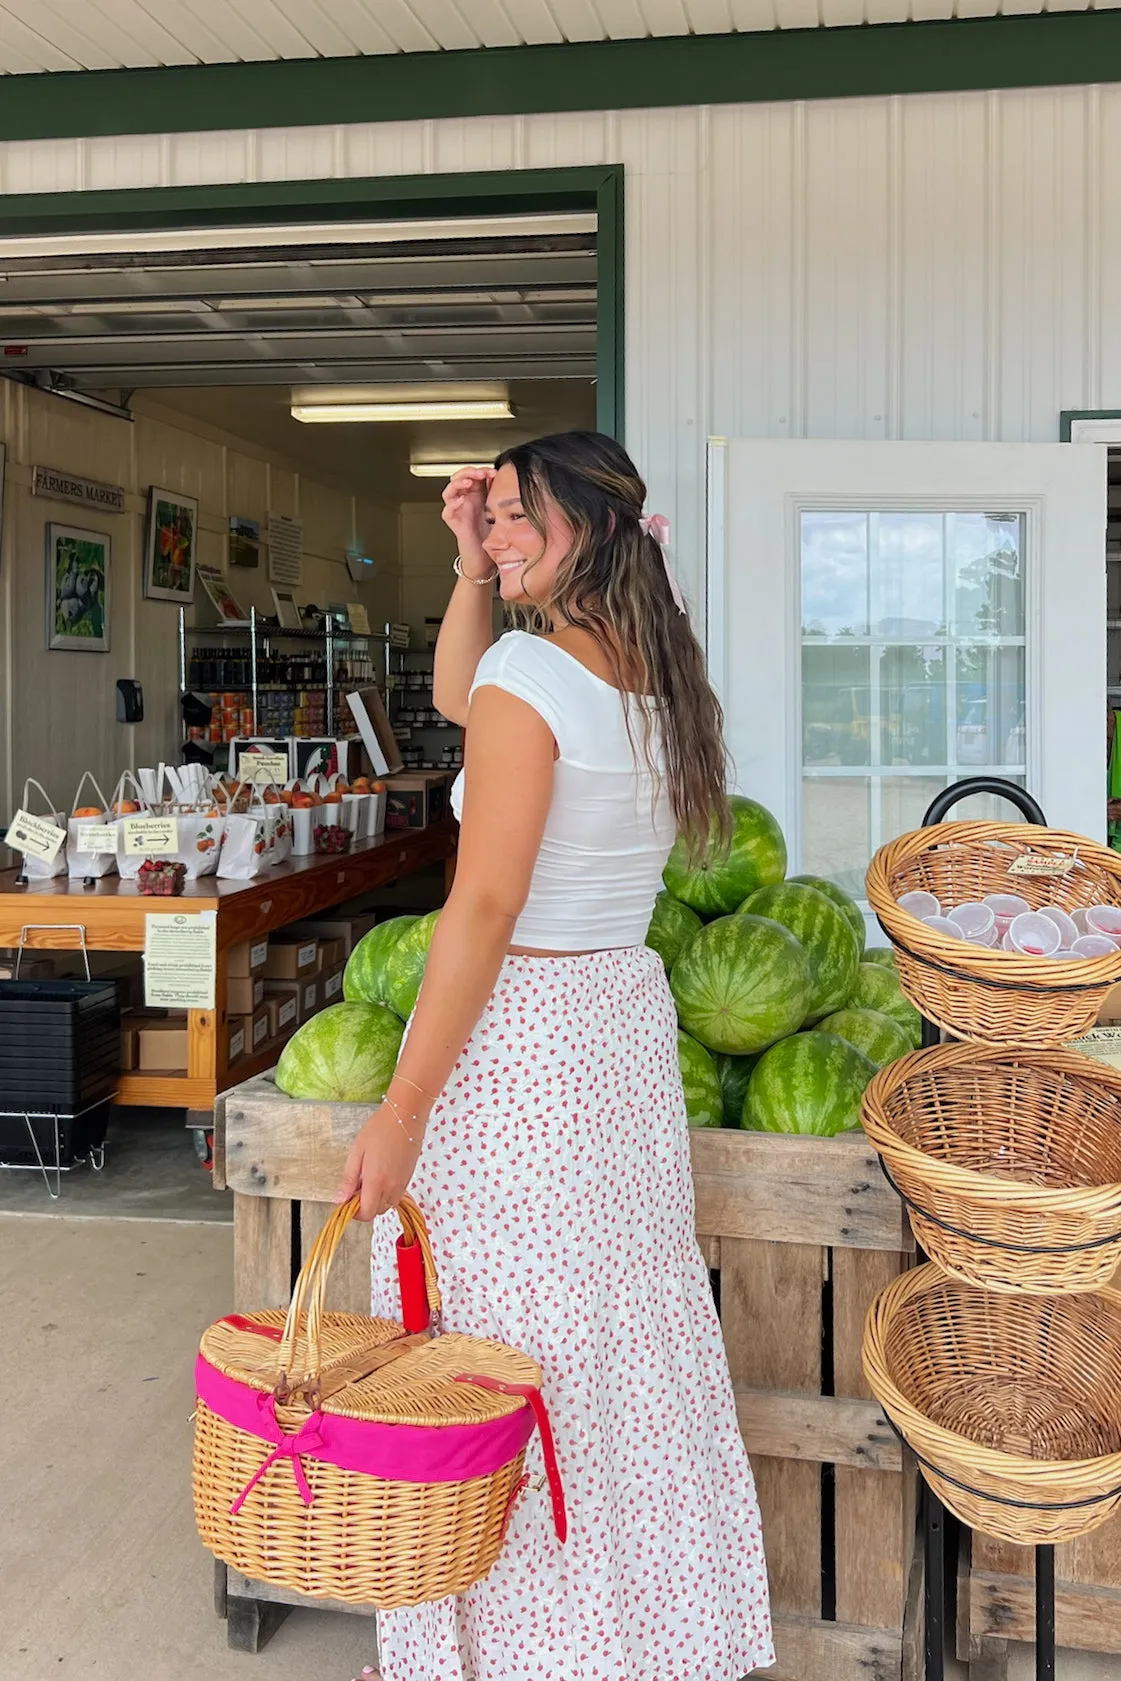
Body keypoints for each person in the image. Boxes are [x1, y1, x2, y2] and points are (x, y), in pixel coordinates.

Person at [338, 431, 774, 1681]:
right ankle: (623, 1639)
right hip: (614, 1034)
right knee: (610, 1342)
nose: (505, 526)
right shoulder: (650, 667)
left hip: (520, 1042)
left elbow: (478, 910)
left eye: (521, 513)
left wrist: (406, 1109)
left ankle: (503, 1648)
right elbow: (457, 700)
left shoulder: (535, 678)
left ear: (585, 518)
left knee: (491, 1344)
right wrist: (471, 567)